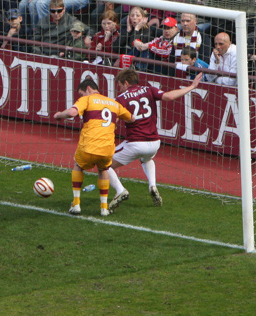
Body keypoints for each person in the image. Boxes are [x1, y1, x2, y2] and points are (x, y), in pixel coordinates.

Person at [106, 67, 202, 210]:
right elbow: (169, 97)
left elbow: (113, 123)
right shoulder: (149, 89)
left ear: (126, 83)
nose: (119, 89)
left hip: (135, 143)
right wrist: (192, 86)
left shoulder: (121, 99)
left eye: (120, 85)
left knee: (104, 163)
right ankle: (152, 185)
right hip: (154, 143)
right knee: (147, 159)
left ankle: (120, 191)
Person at [52, 77, 132, 218]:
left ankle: (76, 204)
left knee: (78, 165)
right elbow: (131, 118)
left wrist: (59, 115)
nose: (81, 97)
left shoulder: (88, 99)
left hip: (89, 146)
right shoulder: (114, 103)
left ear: (88, 89)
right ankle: (103, 208)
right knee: (103, 170)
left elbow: (71, 113)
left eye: (82, 94)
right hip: (107, 149)